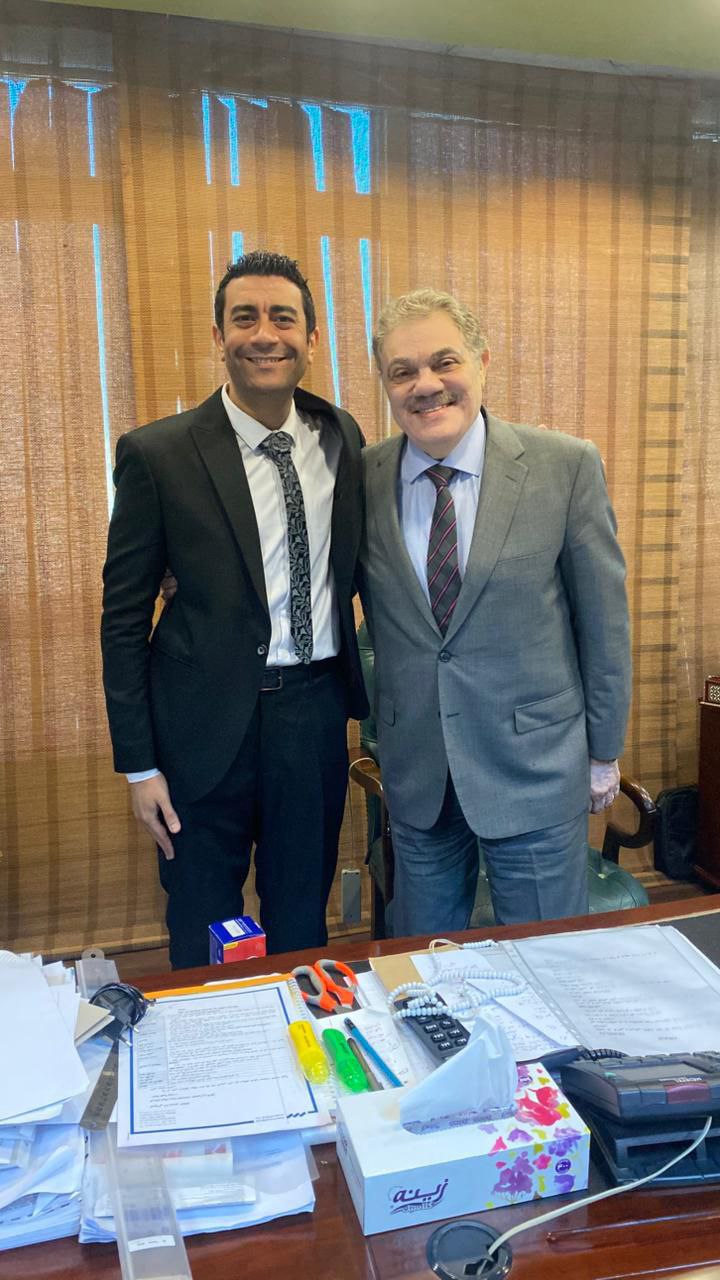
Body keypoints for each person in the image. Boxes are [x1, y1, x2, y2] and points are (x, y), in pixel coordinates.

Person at [101, 250, 368, 968]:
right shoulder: (158, 454)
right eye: (244, 318)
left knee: (301, 920)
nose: (264, 334)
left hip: (311, 717)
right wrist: (139, 769)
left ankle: (302, 1038)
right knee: (202, 924)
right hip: (198, 729)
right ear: (219, 336)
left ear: (312, 339)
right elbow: (123, 619)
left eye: (283, 318)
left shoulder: (341, 437)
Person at [358, 288, 631, 937]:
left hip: (534, 768)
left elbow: (604, 624)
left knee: (545, 962)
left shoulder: (565, 466)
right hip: (419, 774)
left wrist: (603, 753)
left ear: (482, 362)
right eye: (402, 371)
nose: (426, 385)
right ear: (387, 386)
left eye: (444, 362)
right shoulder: (361, 477)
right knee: (425, 968)